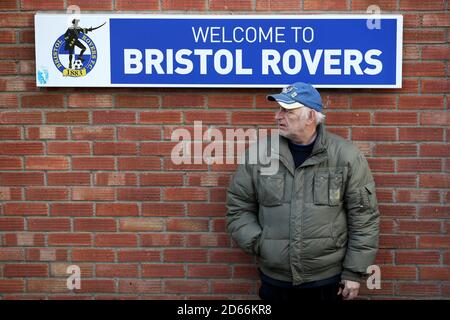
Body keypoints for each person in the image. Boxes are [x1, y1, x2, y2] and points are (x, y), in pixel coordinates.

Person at [226, 82, 380, 301]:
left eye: (287, 111)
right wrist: (260, 244)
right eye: (278, 110)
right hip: (275, 278)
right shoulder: (259, 155)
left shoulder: (346, 156)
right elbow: (238, 207)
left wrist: (354, 271)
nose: (278, 116)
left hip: (327, 279)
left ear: (310, 117)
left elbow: (364, 218)